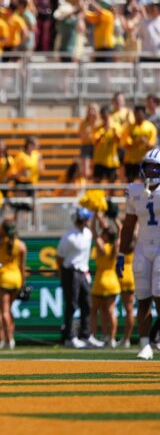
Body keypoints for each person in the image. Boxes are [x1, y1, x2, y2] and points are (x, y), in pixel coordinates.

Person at [118, 148, 160, 360]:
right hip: (143, 247)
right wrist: (120, 253)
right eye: (148, 166)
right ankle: (144, 344)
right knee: (142, 297)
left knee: (159, 296)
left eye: (156, 167)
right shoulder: (134, 190)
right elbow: (128, 225)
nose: (151, 171)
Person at [56, 207, 93, 349]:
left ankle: (85, 335)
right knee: (72, 305)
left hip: (83, 271)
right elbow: (60, 258)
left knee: (87, 304)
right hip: (71, 271)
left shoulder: (88, 233)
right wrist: (64, 273)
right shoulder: (69, 237)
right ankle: (70, 337)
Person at [0, 218, 27, 349]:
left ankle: (4, 339)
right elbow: (22, 267)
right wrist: (23, 283)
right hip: (16, 278)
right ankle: (9, 338)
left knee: (1, 312)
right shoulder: (21, 245)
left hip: (2, 278)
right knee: (8, 311)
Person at [89, 211, 121, 349]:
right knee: (110, 311)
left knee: (94, 311)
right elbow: (121, 230)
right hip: (112, 281)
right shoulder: (115, 246)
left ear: (106, 236)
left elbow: (93, 232)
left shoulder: (101, 246)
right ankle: (111, 338)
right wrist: (114, 217)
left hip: (100, 280)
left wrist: (96, 216)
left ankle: (93, 337)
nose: (101, 233)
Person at [122, 105, 157, 183]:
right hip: (131, 160)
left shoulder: (150, 127)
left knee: (145, 181)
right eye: (135, 114)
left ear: (144, 114)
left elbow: (152, 146)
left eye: (139, 114)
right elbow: (125, 144)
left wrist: (146, 142)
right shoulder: (129, 127)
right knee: (129, 181)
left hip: (145, 160)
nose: (137, 116)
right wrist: (136, 142)